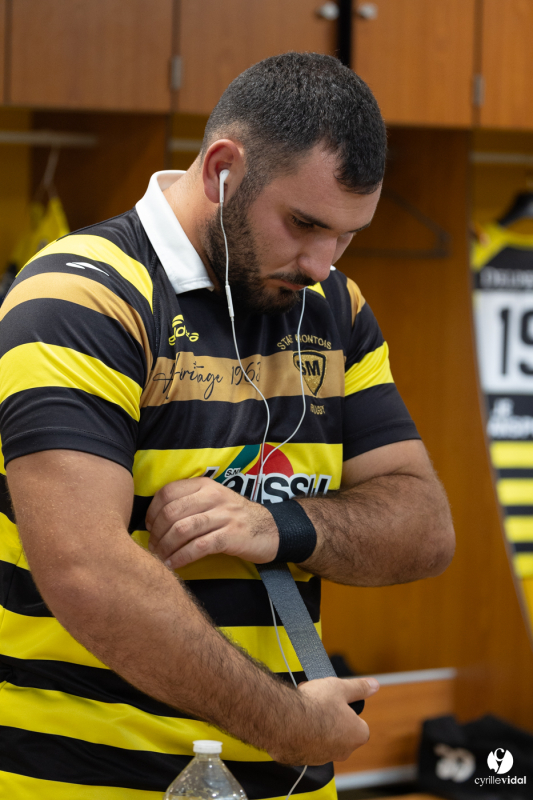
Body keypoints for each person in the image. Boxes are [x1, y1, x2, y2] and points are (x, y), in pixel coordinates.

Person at [0, 53, 455, 800]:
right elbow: (86, 572)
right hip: (87, 783)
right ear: (221, 169)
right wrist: (286, 726)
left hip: (290, 776)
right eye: (304, 224)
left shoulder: (334, 308)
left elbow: (425, 528)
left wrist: (279, 525)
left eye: (346, 235)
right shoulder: (82, 298)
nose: (321, 263)